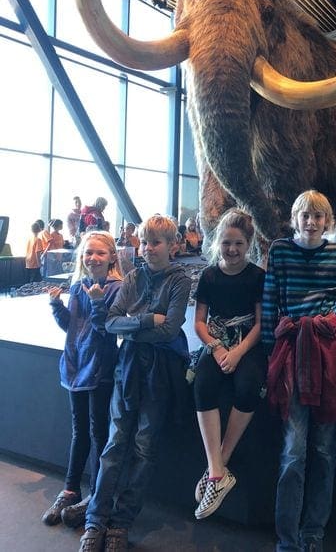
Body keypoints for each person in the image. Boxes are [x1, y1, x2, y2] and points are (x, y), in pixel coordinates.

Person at [78, 215, 191, 552]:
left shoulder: (179, 280)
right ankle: (95, 520)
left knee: (143, 446)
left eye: (155, 242)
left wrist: (131, 324)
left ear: (172, 247)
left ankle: (121, 521)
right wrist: (145, 320)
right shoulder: (132, 276)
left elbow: (171, 329)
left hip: (158, 372)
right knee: (115, 446)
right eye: (144, 242)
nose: (148, 248)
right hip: (128, 370)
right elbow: (111, 322)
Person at [262, 189, 336, 552]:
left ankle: (314, 531)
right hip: (291, 353)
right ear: (294, 220)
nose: (311, 223)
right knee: (294, 450)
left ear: (327, 222)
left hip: (325, 352)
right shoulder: (279, 250)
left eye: (318, 217)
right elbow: (270, 298)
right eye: (305, 216)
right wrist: (273, 347)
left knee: (325, 450)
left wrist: (329, 326)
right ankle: (287, 539)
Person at [42, 231, 123, 528]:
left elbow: (108, 330)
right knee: (80, 431)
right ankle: (70, 488)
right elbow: (72, 327)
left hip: (100, 370)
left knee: (99, 432)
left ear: (112, 256)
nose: (93, 258)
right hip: (75, 367)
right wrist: (56, 307)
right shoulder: (78, 286)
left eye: (100, 253)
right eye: (88, 253)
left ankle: (97, 493)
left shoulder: (117, 288)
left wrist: (99, 302)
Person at [193, 209, 266, 519]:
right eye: (226, 243)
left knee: (248, 386)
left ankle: (217, 469)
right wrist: (217, 347)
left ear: (248, 243)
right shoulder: (209, 275)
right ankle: (217, 471)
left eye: (238, 243)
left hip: (247, 343)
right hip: (218, 341)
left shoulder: (258, 277)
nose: (232, 250)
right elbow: (199, 322)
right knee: (203, 384)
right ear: (217, 243)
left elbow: (261, 324)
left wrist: (238, 352)